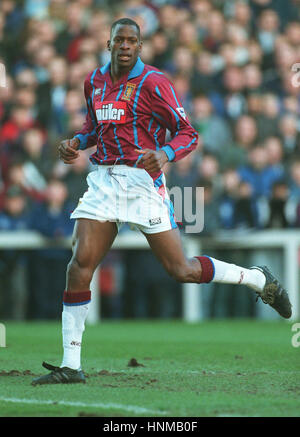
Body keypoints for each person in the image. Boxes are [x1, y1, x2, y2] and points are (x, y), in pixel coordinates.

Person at [32, 18, 292, 386]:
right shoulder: (94, 80)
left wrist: (166, 152)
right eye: (118, 39)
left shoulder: (154, 82)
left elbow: (189, 133)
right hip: (104, 180)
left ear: (140, 47)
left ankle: (255, 279)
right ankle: (71, 364)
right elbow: (96, 127)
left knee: (180, 269)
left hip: (142, 181)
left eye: (131, 41)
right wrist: (76, 141)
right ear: (109, 44)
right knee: (79, 266)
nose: (124, 46)